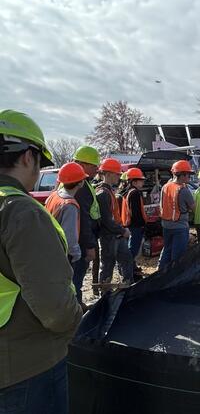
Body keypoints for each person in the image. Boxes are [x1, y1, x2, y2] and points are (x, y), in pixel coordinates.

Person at [0, 110, 82, 413]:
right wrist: (79, 322)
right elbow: (55, 309)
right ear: (26, 157)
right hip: (26, 368)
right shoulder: (21, 213)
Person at [96, 158, 133, 285]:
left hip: (116, 234)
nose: (119, 176)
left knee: (127, 260)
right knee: (107, 265)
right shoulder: (102, 193)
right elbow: (106, 220)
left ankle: (127, 286)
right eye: (117, 174)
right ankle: (104, 294)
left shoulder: (109, 191)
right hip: (109, 236)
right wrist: (123, 230)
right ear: (109, 174)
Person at [72, 145, 101, 304]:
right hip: (81, 242)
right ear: (82, 164)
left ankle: (77, 304)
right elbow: (83, 218)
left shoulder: (83, 183)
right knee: (76, 278)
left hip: (79, 240)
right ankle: (76, 310)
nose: (97, 169)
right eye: (94, 165)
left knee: (76, 278)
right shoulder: (79, 186)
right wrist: (90, 246)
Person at [45, 162, 88, 266]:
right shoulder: (70, 205)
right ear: (80, 183)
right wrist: (76, 254)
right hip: (62, 255)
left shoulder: (54, 195)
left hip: (49, 249)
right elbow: (69, 238)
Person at [159, 160, 195, 269]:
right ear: (183, 175)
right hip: (180, 227)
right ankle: (174, 277)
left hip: (166, 225)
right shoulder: (183, 190)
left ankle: (161, 274)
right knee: (178, 255)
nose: (189, 177)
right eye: (188, 174)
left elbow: (162, 204)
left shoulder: (165, 187)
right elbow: (193, 207)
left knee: (167, 250)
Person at [121, 167, 147, 275]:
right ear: (134, 181)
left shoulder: (127, 192)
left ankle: (131, 267)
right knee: (133, 248)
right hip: (135, 226)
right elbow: (135, 212)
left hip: (130, 224)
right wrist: (142, 225)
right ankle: (128, 269)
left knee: (131, 247)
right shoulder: (135, 193)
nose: (142, 182)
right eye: (141, 180)